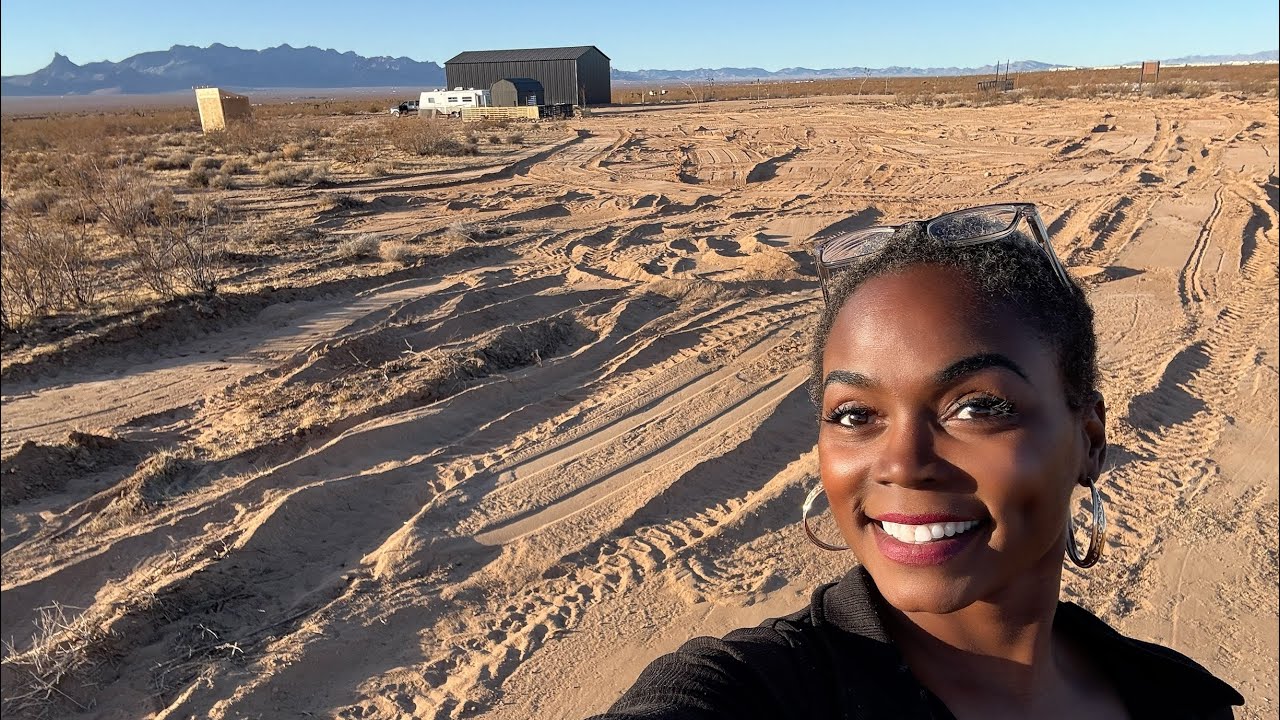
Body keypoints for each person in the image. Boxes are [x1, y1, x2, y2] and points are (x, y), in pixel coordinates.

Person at [587, 204, 1243, 719]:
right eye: (854, 414)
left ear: (1090, 437)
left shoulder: (1180, 702)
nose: (902, 463)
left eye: (978, 407)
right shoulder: (759, 691)